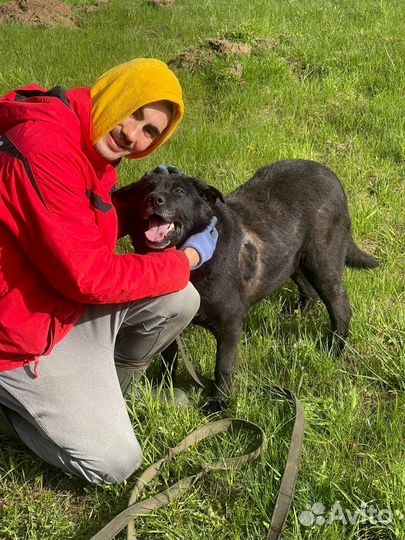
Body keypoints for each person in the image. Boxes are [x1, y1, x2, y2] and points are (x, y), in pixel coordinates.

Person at [0, 59, 218, 483]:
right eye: (134, 112)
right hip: (15, 338)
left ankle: (104, 395)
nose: (133, 135)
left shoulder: (85, 138)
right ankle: (14, 412)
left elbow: (75, 225)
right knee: (115, 463)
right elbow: (88, 276)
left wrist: (136, 206)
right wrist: (187, 260)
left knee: (180, 298)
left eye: (150, 131)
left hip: (54, 304)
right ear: (114, 92)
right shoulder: (46, 147)